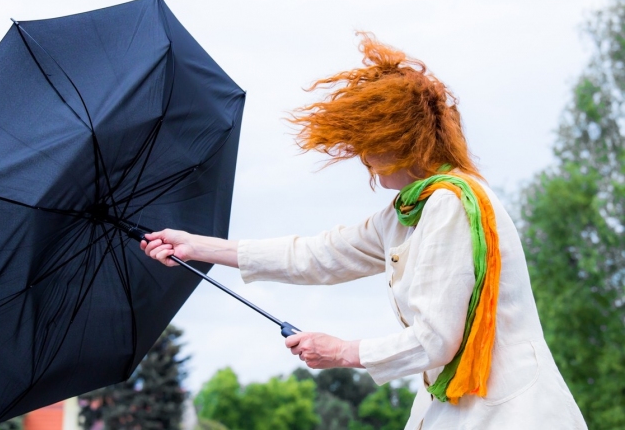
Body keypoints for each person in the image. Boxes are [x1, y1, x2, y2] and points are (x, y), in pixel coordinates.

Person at [140, 33, 586, 429]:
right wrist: (198, 246)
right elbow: (315, 255)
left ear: (400, 137)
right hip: (460, 408)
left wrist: (342, 352)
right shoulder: (408, 211)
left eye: (365, 141)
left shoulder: (450, 205)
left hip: (509, 412)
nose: (360, 155)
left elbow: (435, 340)